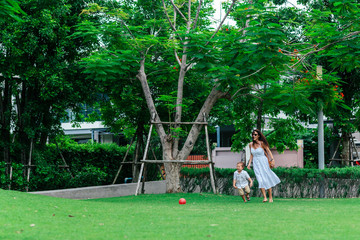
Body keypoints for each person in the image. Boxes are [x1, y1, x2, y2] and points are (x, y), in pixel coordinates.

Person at [247, 129, 280, 203]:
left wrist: (272, 160)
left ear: (258, 135)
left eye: (255, 134)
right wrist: (249, 163)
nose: (253, 136)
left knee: (266, 179)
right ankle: (265, 197)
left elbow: (268, 151)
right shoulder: (250, 144)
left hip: (263, 162)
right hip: (256, 163)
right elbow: (251, 154)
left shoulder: (262, 143)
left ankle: (270, 197)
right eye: (253, 134)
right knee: (260, 180)